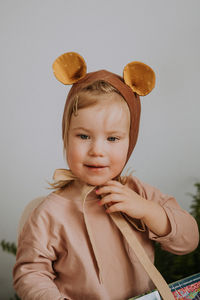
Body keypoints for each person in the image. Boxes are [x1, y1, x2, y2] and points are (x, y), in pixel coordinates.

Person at [13, 52, 199, 300]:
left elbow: (188, 240)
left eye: (112, 138)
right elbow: (30, 274)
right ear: (66, 137)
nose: (97, 151)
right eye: (83, 136)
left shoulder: (140, 193)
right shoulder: (50, 213)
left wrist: (146, 210)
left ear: (130, 141)